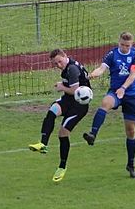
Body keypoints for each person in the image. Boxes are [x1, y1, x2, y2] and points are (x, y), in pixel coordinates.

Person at [82, 32, 135, 179]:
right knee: (105, 103)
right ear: (118, 42)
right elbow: (102, 68)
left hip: (132, 94)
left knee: (131, 131)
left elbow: (133, 75)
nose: (124, 47)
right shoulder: (112, 54)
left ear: (131, 44)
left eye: (127, 45)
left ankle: (131, 164)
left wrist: (123, 88)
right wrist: (93, 74)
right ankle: (92, 134)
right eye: (122, 44)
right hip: (115, 91)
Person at [28, 49, 92, 182]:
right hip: (68, 100)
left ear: (65, 56)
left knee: (63, 134)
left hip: (79, 106)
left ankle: (62, 167)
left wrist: (62, 87)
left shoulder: (72, 69)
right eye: (55, 63)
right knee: (52, 112)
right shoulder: (68, 67)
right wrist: (63, 86)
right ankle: (43, 144)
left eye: (59, 61)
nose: (58, 65)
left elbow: (75, 90)